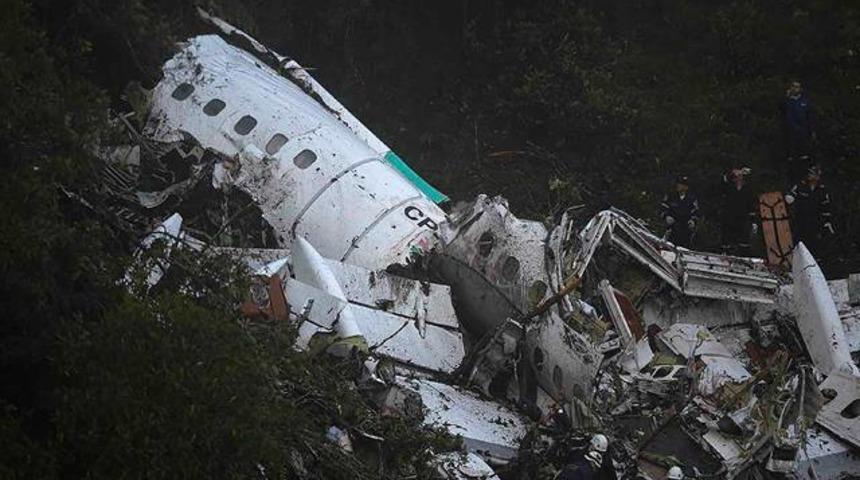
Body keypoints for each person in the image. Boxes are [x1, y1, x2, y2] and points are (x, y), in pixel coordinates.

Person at [785, 165, 834, 257]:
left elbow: (826, 206)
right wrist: (790, 198)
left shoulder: (822, 190)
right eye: (812, 174)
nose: (814, 177)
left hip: (814, 222)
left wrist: (826, 221)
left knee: (813, 244)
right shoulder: (801, 185)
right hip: (799, 219)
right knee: (797, 241)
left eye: (816, 175)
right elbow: (791, 194)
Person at [780, 80, 815, 178]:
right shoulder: (786, 102)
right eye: (793, 86)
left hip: (803, 134)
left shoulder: (805, 102)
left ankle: (804, 176)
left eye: (797, 87)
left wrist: (811, 131)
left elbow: (810, 118)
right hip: (790, 135)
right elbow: (783, 115)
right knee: (791, 159)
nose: (795, 89)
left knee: (804, 158)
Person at [720, 167, 758, 255]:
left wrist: (752, 218)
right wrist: (732, 173)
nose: (738, 178)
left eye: (741, 176)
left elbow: (751, 202)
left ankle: (742, 255)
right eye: (737, 176)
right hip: (729, 215)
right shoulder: (729, 186)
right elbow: (723, 182)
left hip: (743, 216)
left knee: (743, 238)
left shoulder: (748, 188)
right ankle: (726, 253)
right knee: (727, 237)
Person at [659, 175, 700, 248]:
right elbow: (663, 208)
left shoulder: (691, 199)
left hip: (685, 229)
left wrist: (693, 221)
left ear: (686, 187)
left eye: (682, 184)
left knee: (684, 249)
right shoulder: (670, 196)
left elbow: (696, 212)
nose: (678, 186)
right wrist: (666, 216)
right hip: (671, 228)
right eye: (678, 184)